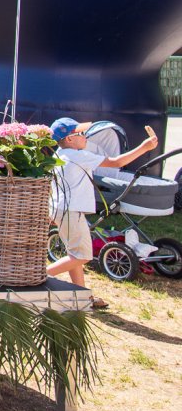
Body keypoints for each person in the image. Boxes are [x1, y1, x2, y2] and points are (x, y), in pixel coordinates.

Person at [46, 117, 160, 303]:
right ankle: (36, 277)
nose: (85, 136)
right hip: (71, 212)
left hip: (62, 210)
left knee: (74, 254)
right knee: (82, 256)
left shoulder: (59, 154)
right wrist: (145, 148)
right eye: (81, 133)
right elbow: (116, 162)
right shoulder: (77, 155)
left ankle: (83, 297)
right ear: (69, 139)